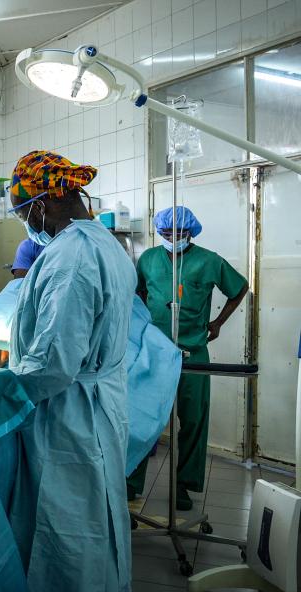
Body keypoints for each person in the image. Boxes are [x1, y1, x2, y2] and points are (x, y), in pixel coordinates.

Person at [7, 150, 136, 592]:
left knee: (67, 531)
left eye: (24, 211)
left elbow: (55, 360)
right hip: (98, 405)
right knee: (95, 521)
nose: (27, 221)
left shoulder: (72, 256)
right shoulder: (106, 244)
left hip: (70, 417)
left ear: (42, 204)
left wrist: (2, 390)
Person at [126, 206, 248, 510]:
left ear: (191, 232)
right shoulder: (149, 260)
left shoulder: (209, 261)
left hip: (193, 351)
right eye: (166, 233)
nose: (171, 238)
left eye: (178, 233)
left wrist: (217, 323)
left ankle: (183, 485)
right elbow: (139, 293)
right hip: (154, 350)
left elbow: (240, 286)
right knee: (145, 417)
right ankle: (131, 481)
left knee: (193, 419)